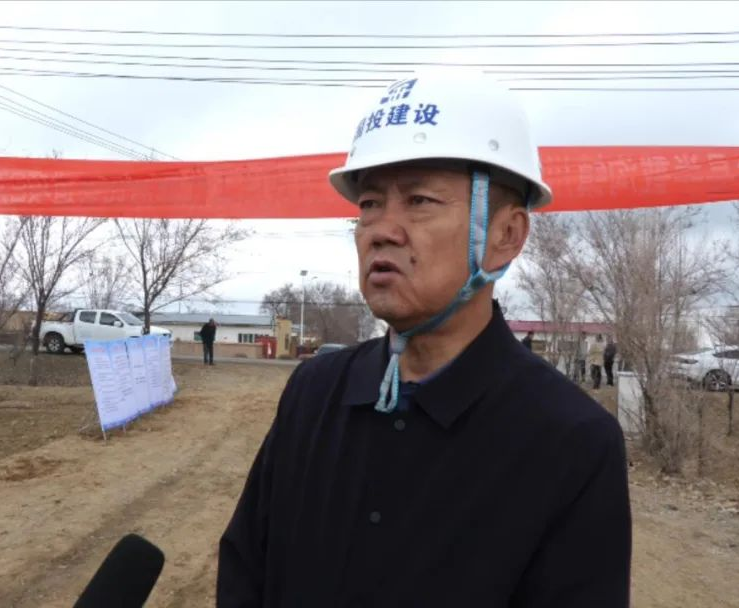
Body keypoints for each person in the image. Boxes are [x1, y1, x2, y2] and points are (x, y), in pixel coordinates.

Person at [218, 71, 630, 607]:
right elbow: (245, 573)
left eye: (419, 200)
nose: (381, 230)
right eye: (369, 204)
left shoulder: (570, 441)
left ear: (506, 235)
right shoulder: (313, 394)